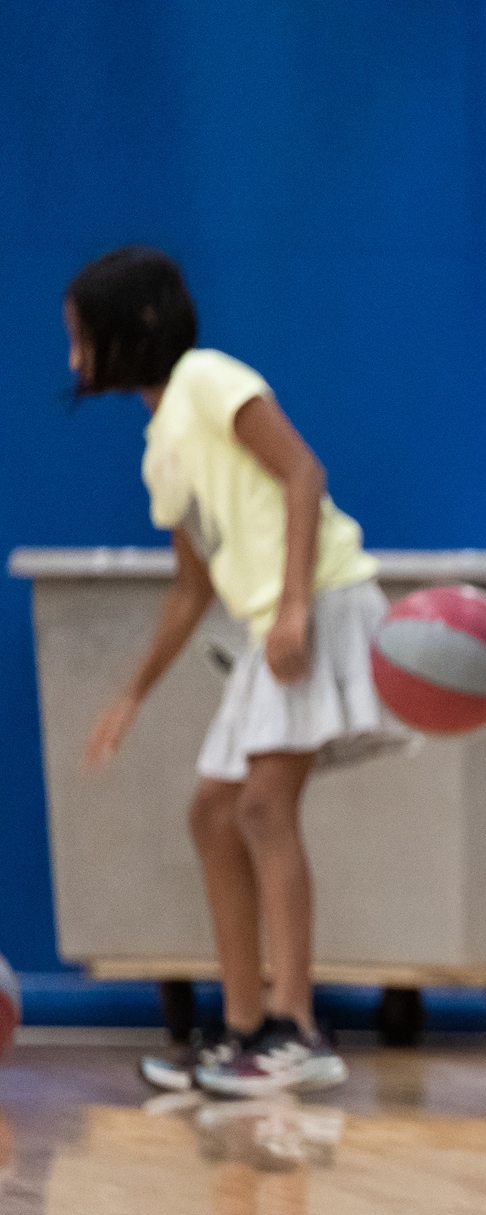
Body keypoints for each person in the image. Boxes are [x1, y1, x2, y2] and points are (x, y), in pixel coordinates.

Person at [74, 247, 410, 1098]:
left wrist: (294, 605)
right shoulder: (160, 450)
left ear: (133, 330)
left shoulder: (210, 378)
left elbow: (303, 473)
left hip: (322, 600)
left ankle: (296, 1029)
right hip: (272, 622)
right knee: (211, 813)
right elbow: (192, 591)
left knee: (262, 805)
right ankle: (242, 1026)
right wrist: (131, 695)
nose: (73, 358)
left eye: (81, 337)